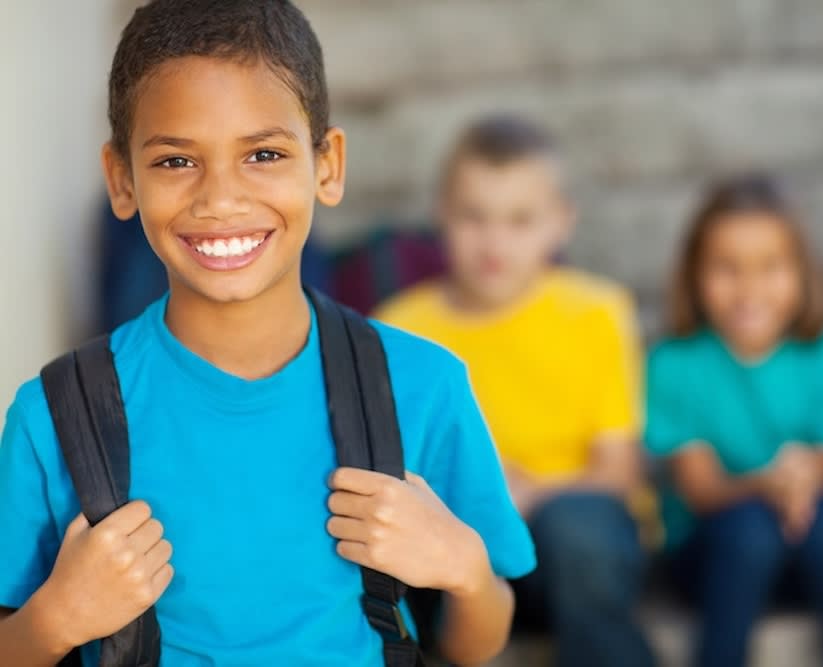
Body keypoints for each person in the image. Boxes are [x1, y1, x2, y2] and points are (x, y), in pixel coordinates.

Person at [0, 2, 535, 665]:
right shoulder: (54, 415)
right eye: (175, 161)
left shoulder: (421, 385)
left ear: (328, 165)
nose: (221, 198)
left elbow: (479, 640)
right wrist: (55, 618)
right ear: (120, 178)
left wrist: (465, 568)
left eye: (263, 153)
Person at [376, 114, 655, 667]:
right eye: (473, 217)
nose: (494, 241)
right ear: (441, 217)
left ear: (561, 223)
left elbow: (618, 474)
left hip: (572, 553)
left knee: (577, 528)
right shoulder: (399, 326)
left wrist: (525, 496)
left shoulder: (597, 313)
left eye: (520, 220)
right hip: (457, 553)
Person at [647, 175, 823, 667]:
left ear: (802, 272)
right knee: (751, 529)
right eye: (726, 269)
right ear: (694, 275)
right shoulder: (675, 362)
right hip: (710, 553)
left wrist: (800, 477)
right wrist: (766, 483)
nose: (749, 288)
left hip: (807, 540)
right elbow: (699, 488)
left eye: (770, 268)